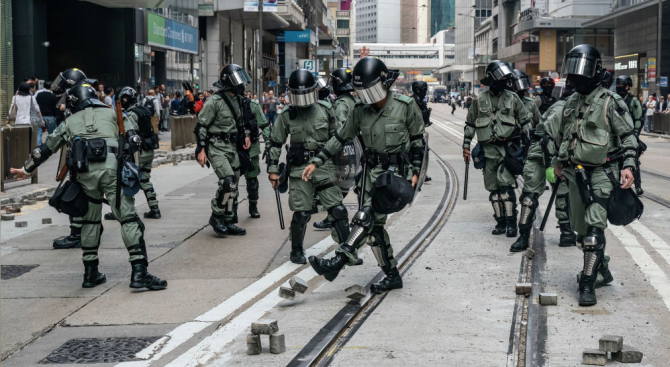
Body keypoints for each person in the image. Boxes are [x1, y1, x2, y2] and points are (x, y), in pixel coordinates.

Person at [10, 83, 167, 290]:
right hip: (112, 172)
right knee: (128, 219)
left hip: (84, 175)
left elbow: (45, 148)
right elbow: (134, 139)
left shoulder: (70, 120)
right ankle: (139, 273)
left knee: (90, 222)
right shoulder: (114, 114)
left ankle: (90, 273)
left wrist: (26, 169)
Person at [303, 57, 425, 293]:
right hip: (370, 174)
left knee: (364, 217)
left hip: (394, 176)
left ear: (383, 83)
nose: (367, 97)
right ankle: (392, 275)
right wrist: (317, 162)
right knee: (374, 229)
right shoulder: (359, 111)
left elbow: (418, 142)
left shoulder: (406, 106)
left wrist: (415, 173)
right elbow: (339, 138)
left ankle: (337, 262)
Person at [553, 44, 637, 307]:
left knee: (593, 232)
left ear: (595, 70)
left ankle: (587, 283)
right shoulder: (570, 103)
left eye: (582, 70)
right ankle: (602, 270)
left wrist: (629, 166)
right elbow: (565, 137)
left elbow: (628, 137)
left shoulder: (611, 102)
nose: (576, 77)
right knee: (580, 235)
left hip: (603, 172)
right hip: (574, 173)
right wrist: (558, 163)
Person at [266, 70, 348, 264]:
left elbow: (338, 138)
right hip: (299, 169)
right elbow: (275, 142)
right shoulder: (287, 114)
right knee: (302, 213)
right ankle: (296, 250)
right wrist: (272, 170)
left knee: (338, 211)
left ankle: (347, 250)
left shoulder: (327, 109)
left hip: (324, 166)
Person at [462, 61, 530, 238]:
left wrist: (528, 145)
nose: (505, 81)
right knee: (494, 192)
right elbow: (469, 124)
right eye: (501, 77)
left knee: (507, 189)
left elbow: (525, 122)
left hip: (508, 151)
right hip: (488, 151)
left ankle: (511, 224)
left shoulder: (513, 98)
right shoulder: (479, 100)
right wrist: (466, 146)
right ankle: (500, 222)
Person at [510, 83, 578, 252]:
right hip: (540, 154)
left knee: (564, 195)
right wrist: (551, 164)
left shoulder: (578, 108)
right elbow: (545, 138)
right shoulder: (560, 109)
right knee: (528, 198)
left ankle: (567, 233)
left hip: (561, 156)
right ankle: (523, 236)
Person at [194, 64, 251, 237]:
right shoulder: (214, 101)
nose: (241, 85)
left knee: (233, 185)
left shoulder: (237, 100)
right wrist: (201, 150)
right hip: (216, 146)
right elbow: (201, 126)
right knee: (227, 182)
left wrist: (246, 135)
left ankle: (229, 219)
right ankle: (216, 216)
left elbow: (240, 123)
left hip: (231, 147)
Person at [104, 87, 162, 220]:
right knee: (145, 180)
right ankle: (154, 209)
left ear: (125, 99)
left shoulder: (131, 115)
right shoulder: (145, 111)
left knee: (126, 180)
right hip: (149, 150)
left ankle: (124, 211)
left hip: (138, 152)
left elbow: (130, 134)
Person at [312, 68, 359, 231]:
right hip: (355, 149)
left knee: (336, 186)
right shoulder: (352, 101)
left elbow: (340, 131)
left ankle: (334, 217)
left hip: (343, 150)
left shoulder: (340, 104)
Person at [241, 88, 270, 219]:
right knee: (230, 182)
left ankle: (253, 206)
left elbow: (264, 124)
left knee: (252, 181)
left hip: (251, 150)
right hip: (232, 149)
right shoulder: (223, 105)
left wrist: (269, 144)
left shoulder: (252, 105)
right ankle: (230, 212)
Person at [615, 75, 645, 196]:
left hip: (630, 135)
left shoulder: (633, 101)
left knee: (634, 162)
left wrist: (635, 135)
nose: (618, 87)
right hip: (616, 136)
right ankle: (616, 185)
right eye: (617, 85)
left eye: (621, 85)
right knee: (615, 161)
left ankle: (637, 186)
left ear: (627, 87)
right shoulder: (614, 99)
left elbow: (638, 119)